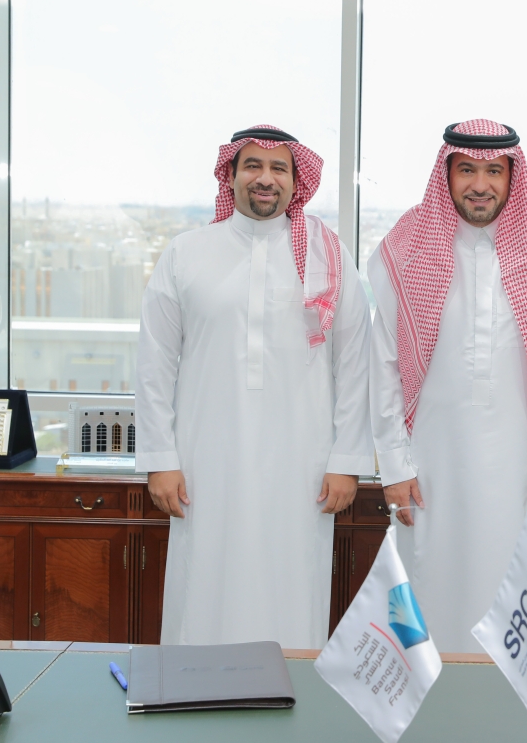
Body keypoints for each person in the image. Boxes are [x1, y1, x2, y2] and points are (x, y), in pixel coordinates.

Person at [135, 125, 373, 648]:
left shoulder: (330, 258)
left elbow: (356, 363)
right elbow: (155, 363)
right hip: (204, 464)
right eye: (252, 166)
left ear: (296, 181)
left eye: (279, 168)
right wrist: (159, 457)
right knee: (204, 587)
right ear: (232, 175)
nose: (265, 179)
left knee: (292, 588)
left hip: (303, 467)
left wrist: (347, 460)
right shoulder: (186, 253)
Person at [369, 119, 527, 653]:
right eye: (467, 169)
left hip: (522, 472)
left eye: (494, 170)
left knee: (515, 610)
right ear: (446, 175)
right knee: (430, 606)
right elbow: (384, 367)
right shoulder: (407, 251)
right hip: (430, 472)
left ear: (514, 178)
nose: (480, 184)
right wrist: (394, 467)